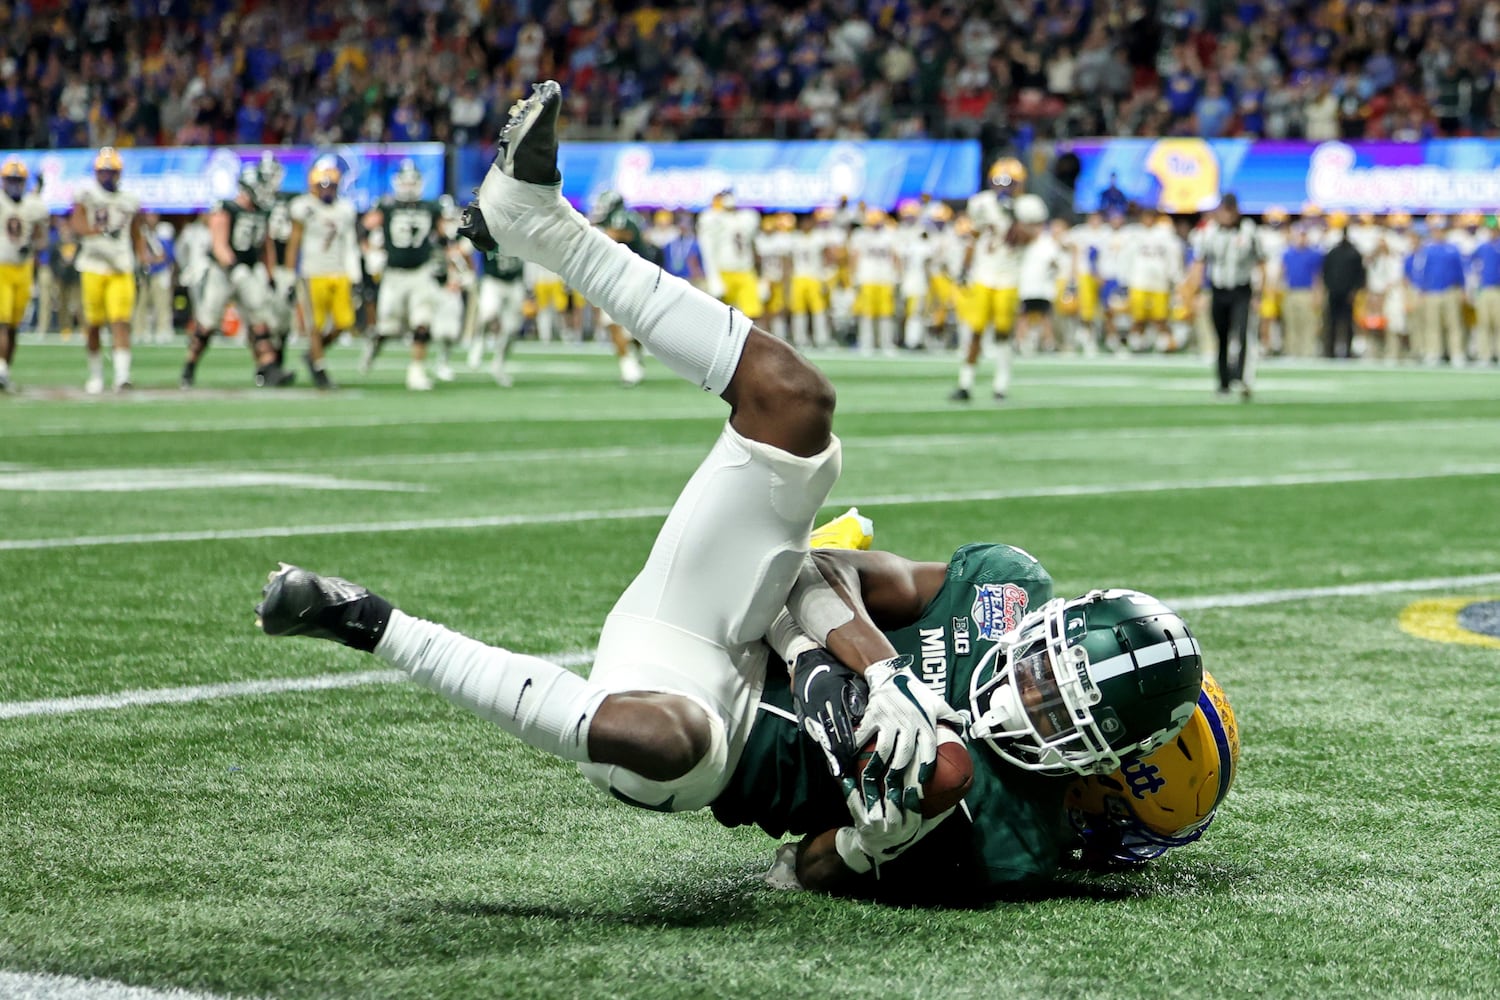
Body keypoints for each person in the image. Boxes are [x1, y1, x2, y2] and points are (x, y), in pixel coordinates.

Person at [256, 82, 1208, 899]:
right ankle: (536, 221)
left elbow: (801, 870)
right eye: (1043, 669)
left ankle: (365, 621)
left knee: (660, 742)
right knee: (797, 404)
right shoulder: (1001, 588)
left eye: (1054, 714)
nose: (1023, 697)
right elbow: (816, 566)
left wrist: (877, 840)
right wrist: (869, 671)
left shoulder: (1015, 841)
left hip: (722, 726)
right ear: (1049, 621)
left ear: (1098, 770)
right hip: (728, 602)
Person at [180, 163, 293, 389]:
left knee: (260, 319)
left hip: (248, 270)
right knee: (208, 323)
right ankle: (189, 368)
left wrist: (269, 275)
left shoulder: (262, 211)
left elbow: (266, 245)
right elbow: (219, 243)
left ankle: (268, 369)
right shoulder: (226, 208)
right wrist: (233, 267)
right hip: (222, 272)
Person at [72, 147, 150, 393]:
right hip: (93, 265)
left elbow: (137, 232)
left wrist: (142, 256)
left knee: (120, 321)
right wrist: (99, 232)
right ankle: (95, 375)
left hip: (120, 266)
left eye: (112, 172)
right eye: (104, 172)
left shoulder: (130, 199)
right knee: (93, 324)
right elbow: (78, 223)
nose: (107, 177)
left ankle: (122, 375)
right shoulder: (87, 195)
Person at [363, 160, 443, 391]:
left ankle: (416, 372)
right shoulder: (386, 206)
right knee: (389, 328)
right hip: (394, 274)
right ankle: (374, 344)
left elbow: (445, 235)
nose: (408, 186)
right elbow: (364, 228)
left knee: (422, 323)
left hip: (421, 272)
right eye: (405, 182)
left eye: (413, 182)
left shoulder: (430, 207)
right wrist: (370, 251)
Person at [285, 162, 361, 389]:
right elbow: (294, 242)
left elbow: (350, 243)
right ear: (314, 186)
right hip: (312, 272)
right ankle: (320, 369)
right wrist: (290, 275)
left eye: (331, 186)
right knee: (315, 326)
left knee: (344, 323)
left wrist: (354, 273)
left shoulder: (345, 209)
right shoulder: (304, 207)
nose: (327, 190)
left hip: (339, 271)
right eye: (323, 186)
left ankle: (312, 355)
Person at [1190, 193, 1261, 399]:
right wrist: (1197, 291)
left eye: (1231, 210)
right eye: (1224, 210)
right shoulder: (1209, 232)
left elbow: (1261, 261)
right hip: (1218, 289)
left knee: (1241, 334)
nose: (1228, 215)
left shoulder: (1249, 231)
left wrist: (1260, 293)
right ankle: (1223, 382)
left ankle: (1240, 377)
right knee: (1220, 337)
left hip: (1241, 289)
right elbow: (1199, 262)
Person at [0, 157, 49, 391]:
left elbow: (41, 238)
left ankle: (4, 372)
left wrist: (33, 244)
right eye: (10, 180)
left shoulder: (34, 205)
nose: (14, 184)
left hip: (23, 269)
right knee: (1, 322)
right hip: (1, 267)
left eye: (18, 180)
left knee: (13, 326)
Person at [1320, 224, 1366, 360]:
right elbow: (1326, 272)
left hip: (1346, 293)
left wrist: (1354, 290)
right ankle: (1330, 350)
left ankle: (1346, 350)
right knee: (1332, 322)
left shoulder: (1354, 253)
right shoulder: (1334, 253)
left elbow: (1360, 274)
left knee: (1347, 323)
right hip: (1335, 292)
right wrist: (1328, 287)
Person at [1279, 224, 1324, 359]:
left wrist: (1318, 295)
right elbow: (1283, 272)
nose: (1301, 238)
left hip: (1307, 292)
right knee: (1291, 324)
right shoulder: (1287, 253)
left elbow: (1318, 276)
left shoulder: (1315, 254)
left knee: (1308, 324)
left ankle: (1307, 353)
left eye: (1304, 235)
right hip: (1291, 292)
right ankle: (1292, 352)